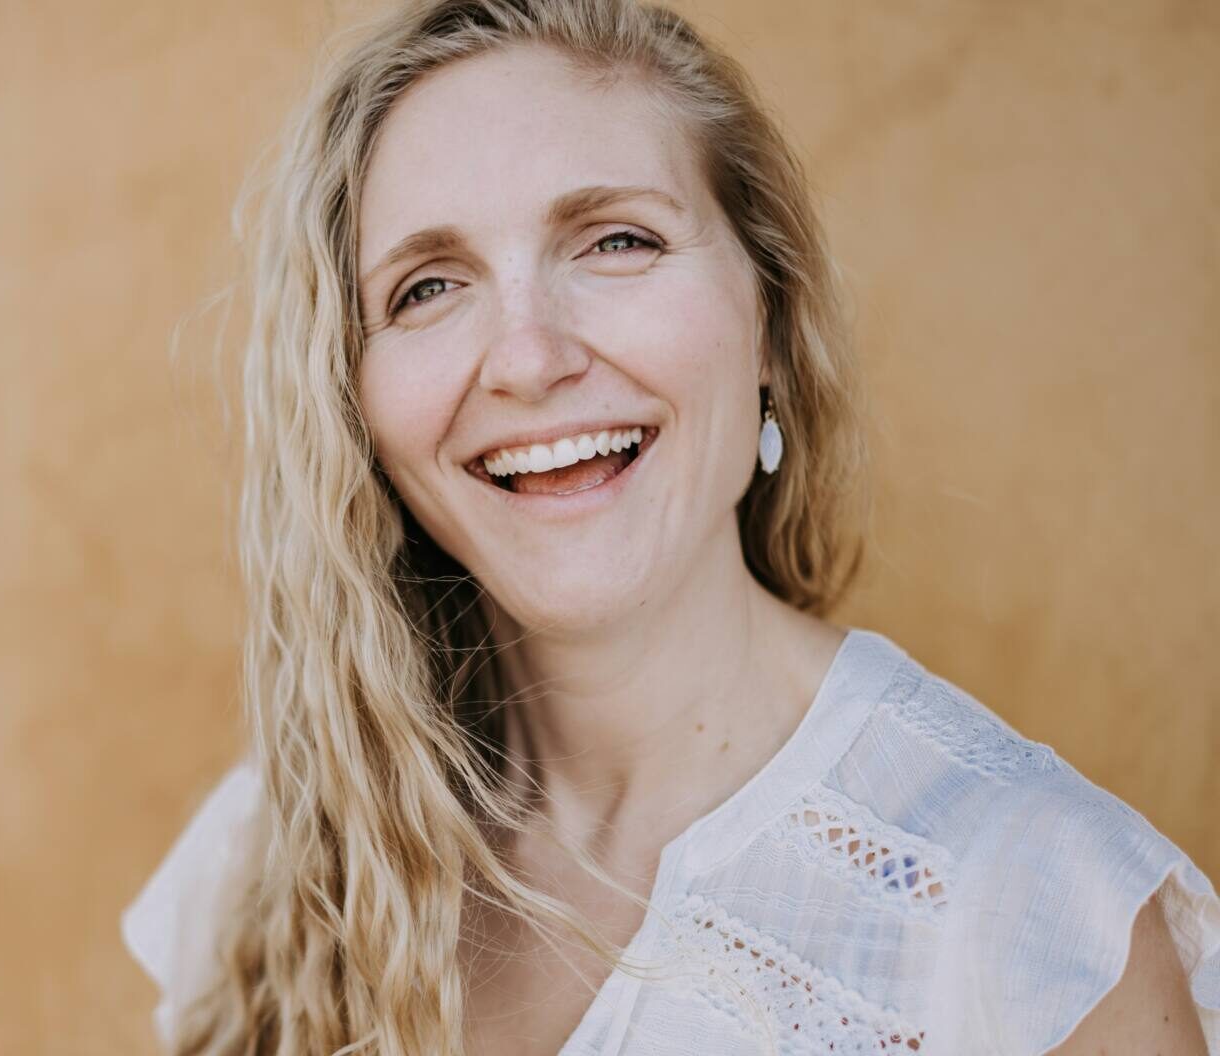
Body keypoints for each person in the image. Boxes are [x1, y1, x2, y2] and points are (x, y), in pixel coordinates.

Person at [121, 1, 1220, 1052]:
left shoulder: (1030, 913)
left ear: (773, 331)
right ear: (354, 408)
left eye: (617, 242)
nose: (528, 357)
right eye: (427, 287)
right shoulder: (281, 850)